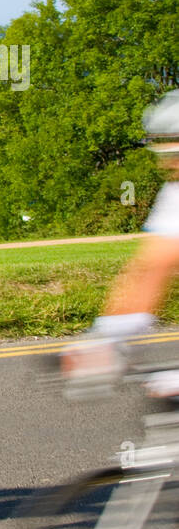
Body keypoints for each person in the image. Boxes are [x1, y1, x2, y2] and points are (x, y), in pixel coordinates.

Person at [62, 90, 179, 399]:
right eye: (162, 144)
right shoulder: (174, 193)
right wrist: (104, 337)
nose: (167, 156)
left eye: (175, 144)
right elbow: (148, 269)